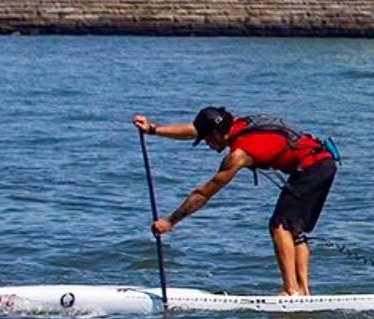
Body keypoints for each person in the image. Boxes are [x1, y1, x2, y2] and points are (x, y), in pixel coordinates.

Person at [131, 107, 339, 295]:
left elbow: (203, 194)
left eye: (207, 140)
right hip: (322, 162)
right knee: (292, 229)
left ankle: (291, 291)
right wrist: (153, 129)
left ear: (215, 134)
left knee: (279, 226)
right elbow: (195, 129)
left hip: (312, 168)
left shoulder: (239, 155)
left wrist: (170, 221)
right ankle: (302, 292)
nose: (207, 145)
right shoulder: (236, 124)